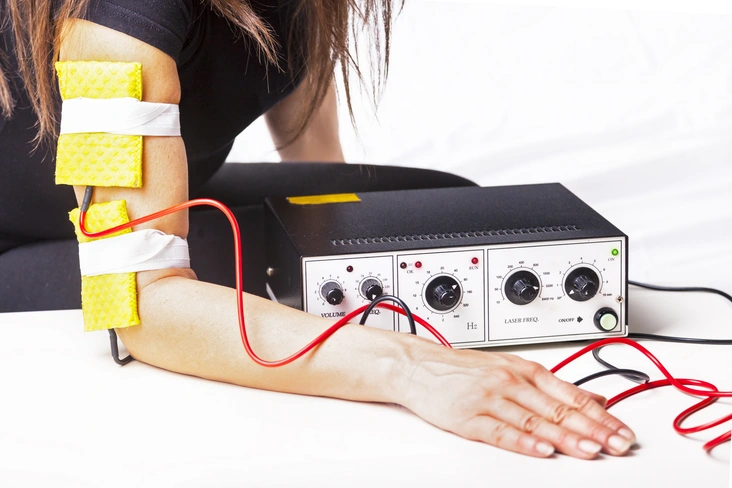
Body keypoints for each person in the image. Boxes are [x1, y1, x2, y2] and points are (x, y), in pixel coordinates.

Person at [0, 0, 636, 459]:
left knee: (451, 210)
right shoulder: (116, 22)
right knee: (239, 277)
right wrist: (413, 369)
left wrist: (329, 233)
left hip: (166, 194)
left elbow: (285, 57)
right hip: (18, 241)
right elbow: (137, 304)